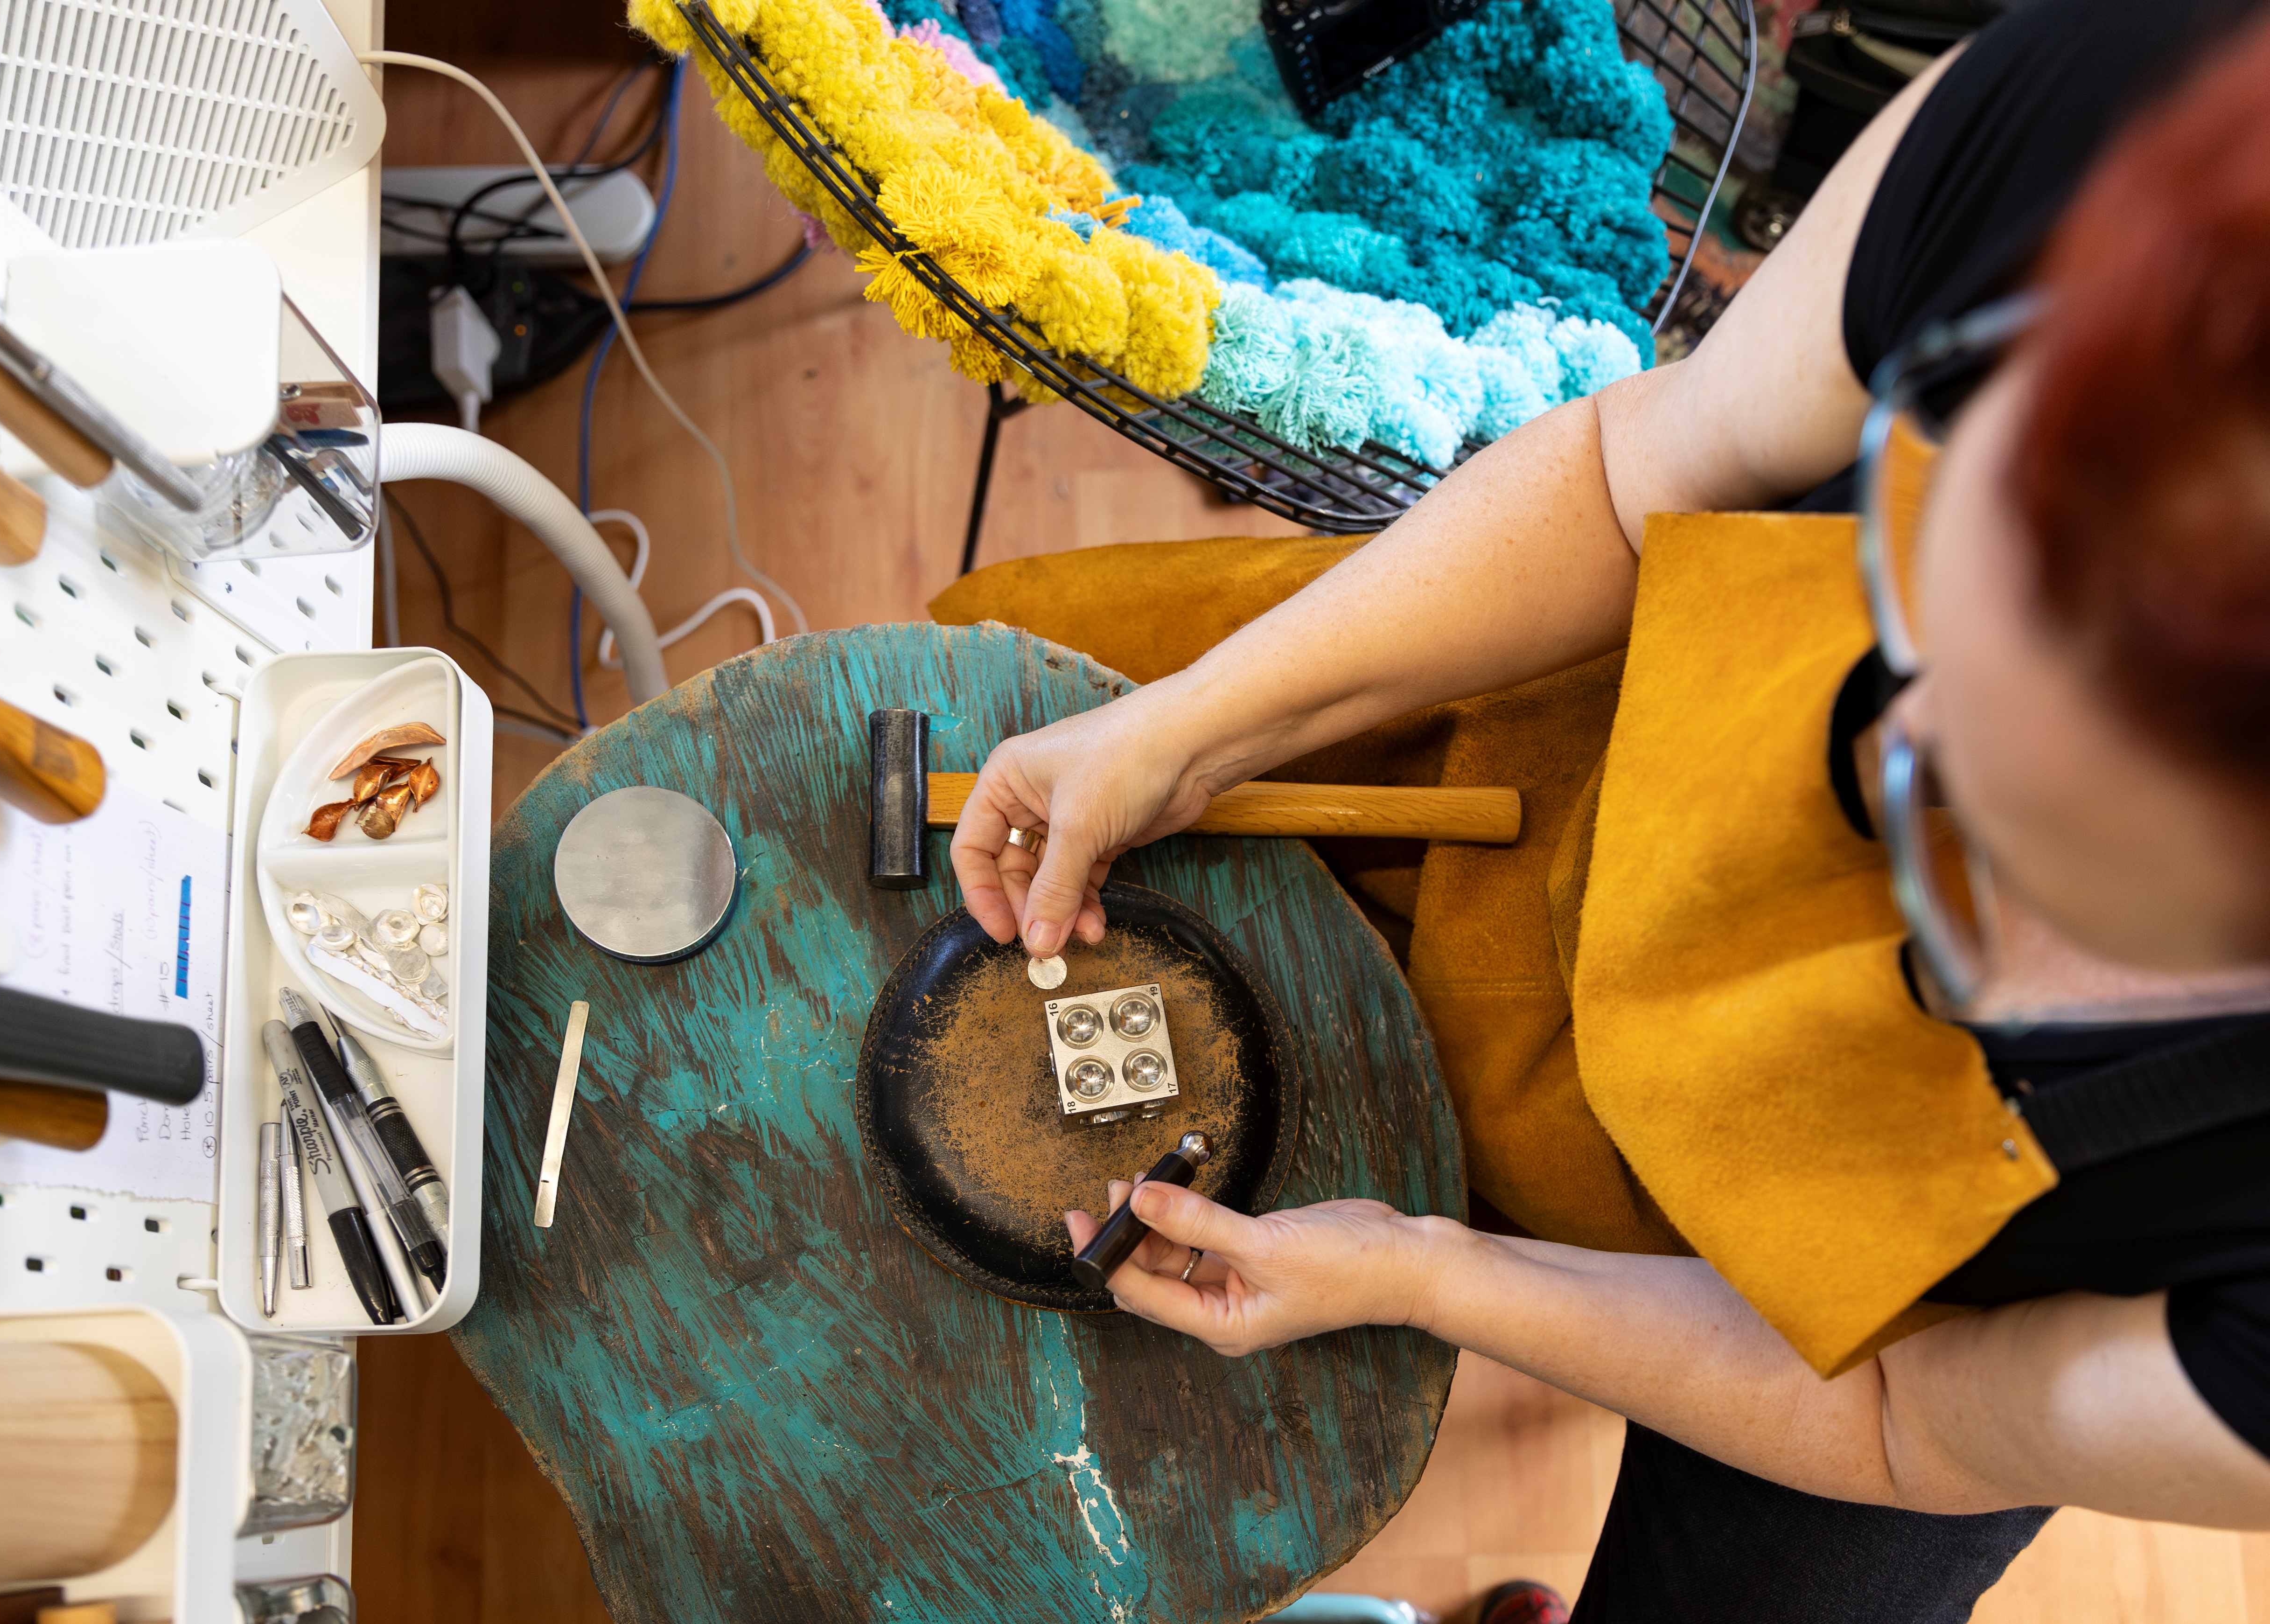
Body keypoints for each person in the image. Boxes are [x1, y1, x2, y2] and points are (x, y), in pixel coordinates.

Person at [941, 1, 2270, 1617]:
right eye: (1917, 613)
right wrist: (1199, 729)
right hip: (1594, 728)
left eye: (1987, 846)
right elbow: (1629, 480)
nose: (1876, 758)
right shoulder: (2122, 123)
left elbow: (1917, 1422)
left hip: (1912, 1332)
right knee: (1016, 673)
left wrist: (1438, 1274)